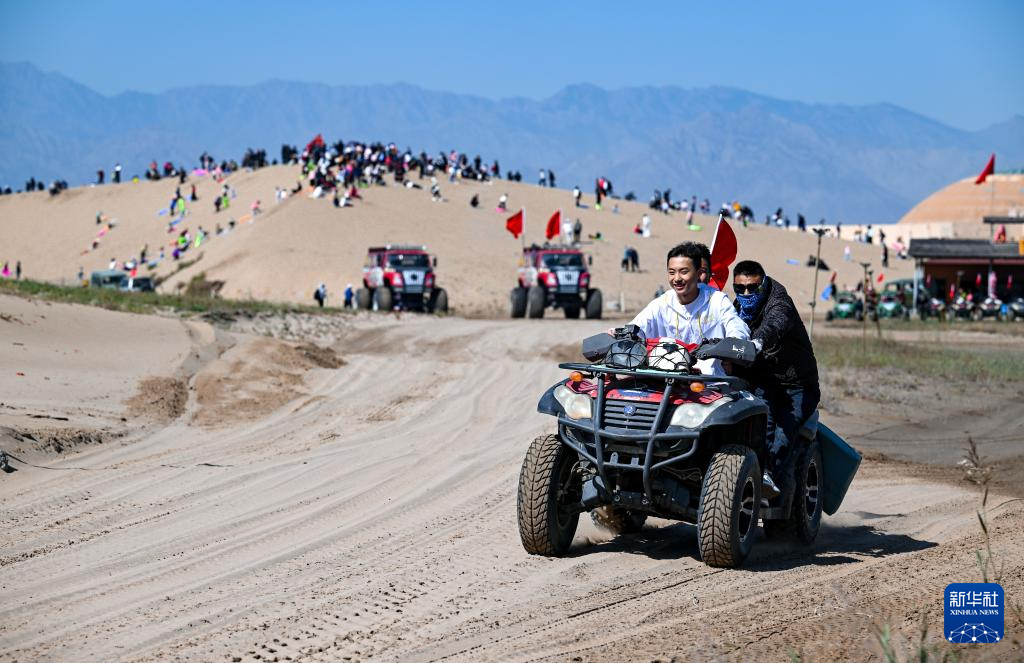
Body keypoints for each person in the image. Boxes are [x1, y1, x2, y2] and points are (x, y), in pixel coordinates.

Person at [730, 260, 820, 498]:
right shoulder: (736, 307)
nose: (746, 293)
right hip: (764, 379)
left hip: (797, 384)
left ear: (764, 283)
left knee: (784, 432)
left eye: (752, 287)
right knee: (758, 422)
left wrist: (756, 342)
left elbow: (775, 325)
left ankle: (766, 478)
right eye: (740, 288)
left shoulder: (779, 302)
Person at [628, 242, 749, 376]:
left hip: (711, 386)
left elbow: (736, 327)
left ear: (698, 274)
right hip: (665, 382)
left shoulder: (717, 300)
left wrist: (733, 346)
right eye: (672, 272)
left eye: (684, 272)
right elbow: (635, 328)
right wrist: (619, 336)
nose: (677, 278)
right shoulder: (662, 303)